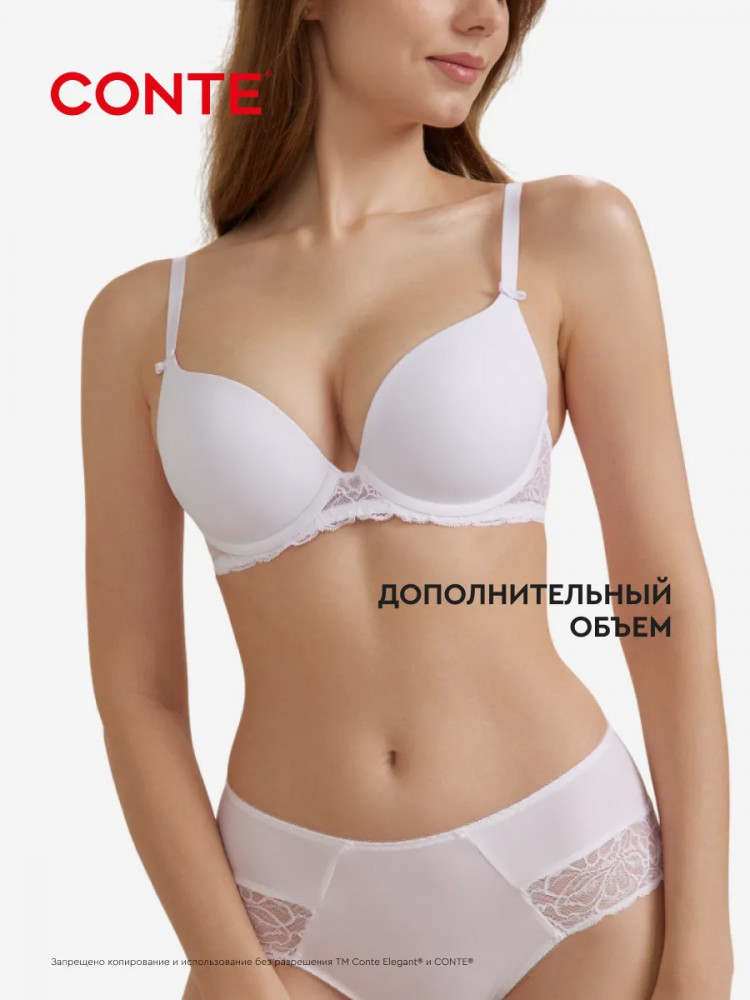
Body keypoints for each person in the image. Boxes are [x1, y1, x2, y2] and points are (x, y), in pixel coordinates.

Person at [81, 2, 732, 998]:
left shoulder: (563, 234)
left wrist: (704, 940)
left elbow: (661, 594)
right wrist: (226, 964)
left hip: (571, 879)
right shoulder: (140, 319)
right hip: (285, 909)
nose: (485, 19)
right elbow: (138, 689)